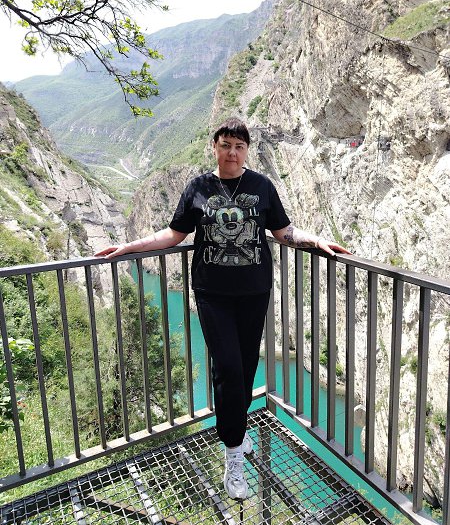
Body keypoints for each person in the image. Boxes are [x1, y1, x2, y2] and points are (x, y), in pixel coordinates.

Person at [95, 117, 350, 500]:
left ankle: (237, 432)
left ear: (246, 151)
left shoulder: (262, 187)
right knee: (227, 368)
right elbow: (173, 234)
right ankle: (233, 451)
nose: (232, 152)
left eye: (239, 146)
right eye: (226, 144)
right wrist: (129, 247)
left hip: (254, 292)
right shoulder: (198, 188)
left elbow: (283, 232)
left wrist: (316, 241)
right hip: (212, 294)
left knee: (245, 369)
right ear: (214, 146)